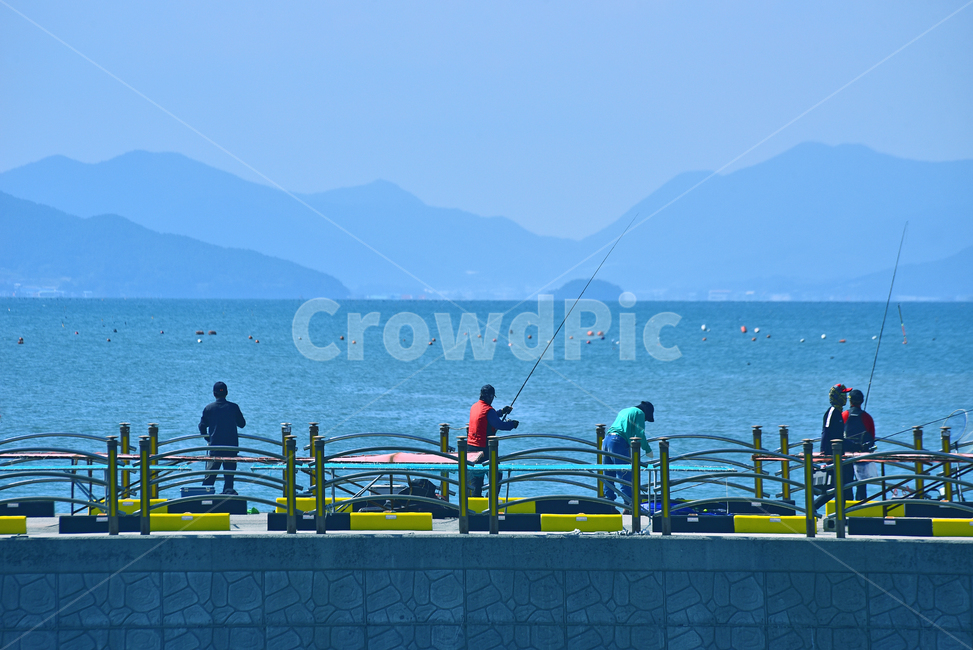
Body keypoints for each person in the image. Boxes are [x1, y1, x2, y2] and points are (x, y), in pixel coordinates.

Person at [467, 384, 519, 498]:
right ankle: (491, 500)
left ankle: (475, 503)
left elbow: (488, 416)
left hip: (470, 448)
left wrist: (502, 411)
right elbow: (498, 424)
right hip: (483, 449)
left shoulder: (474, 406)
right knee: (497, 474)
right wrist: (512, 424)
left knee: (476, 478)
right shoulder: (488, 410)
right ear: (490, 396)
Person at [602, 401, 654, 506]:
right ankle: (629, 505)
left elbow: (625, 428)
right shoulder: (640, 413)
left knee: (608, 474)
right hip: (617, 441)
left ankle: (609, 503)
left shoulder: (624, 410)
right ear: (647, 412)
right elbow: (640, 433)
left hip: (606, 440)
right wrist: (647, 449)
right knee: (625, 474)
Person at [198, 381, 246, 495]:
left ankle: (204, 499)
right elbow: (242, 424)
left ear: (214, 394)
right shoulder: (234, 407)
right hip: (231, 448)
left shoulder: (209, 408)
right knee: (229, 479)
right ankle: (227, 498)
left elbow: (202, 426)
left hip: (215, 448)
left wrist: (208, 440)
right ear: (227, 393)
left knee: (209, 478)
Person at [819, 383, 852, 504]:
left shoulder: (838, 412)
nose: (845, 396)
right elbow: (826, 431)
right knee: (835, 487)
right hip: (832, 455)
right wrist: (823, 452)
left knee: (845, 486)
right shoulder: (833, 411)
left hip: (839, 454)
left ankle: (845, 515)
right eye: (843, 394)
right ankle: (812, 508)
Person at [842, 389, 876, 501]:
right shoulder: (867, 418)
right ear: (862, 401)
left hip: (845, 456)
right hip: (862, 456)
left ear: (850, 401)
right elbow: (872, 438)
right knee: (862, 484)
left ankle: (847, 507)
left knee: (847, 483)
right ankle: (861, 506)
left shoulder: (844, 415)